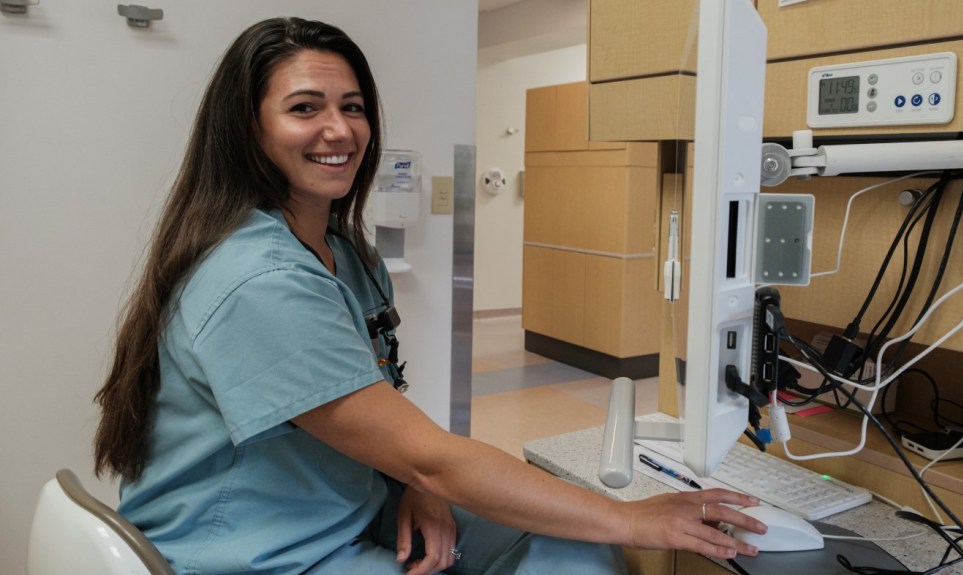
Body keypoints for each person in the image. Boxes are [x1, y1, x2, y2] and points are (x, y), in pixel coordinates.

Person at [92, 16, 766, 575]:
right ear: (249, 129)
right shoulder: (259, 282)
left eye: (352, 107)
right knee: (594, 541)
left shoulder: (340, 251)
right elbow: (430, 452)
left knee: (575, 552)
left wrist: (418, 483)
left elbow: (383, 415)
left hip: (342, 505)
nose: (340, 129)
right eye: (305, 108)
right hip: (261, 551)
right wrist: (630, 515)